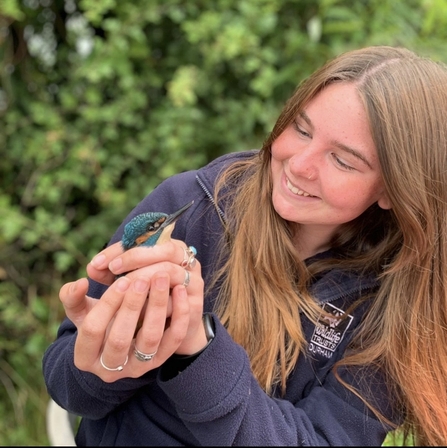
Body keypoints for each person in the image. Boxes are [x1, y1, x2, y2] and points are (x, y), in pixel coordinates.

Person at [42, 45, 447, 446]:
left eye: (343, 160)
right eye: (301, 130)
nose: (299, 165)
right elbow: (68, 387)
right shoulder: (192, 206)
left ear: (395, 189)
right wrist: (107, 355)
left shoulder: (403, 303)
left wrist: (195, 349)